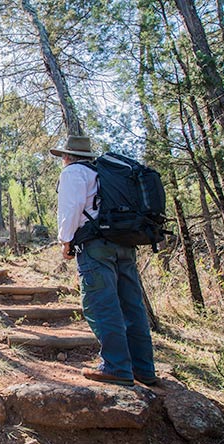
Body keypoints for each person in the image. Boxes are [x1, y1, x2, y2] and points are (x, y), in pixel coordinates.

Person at [52, 135, 158, 387]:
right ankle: (143, 368)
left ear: (67, 156)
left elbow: (71, 209)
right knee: (132, 306)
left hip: (95, 246)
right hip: (124, 243)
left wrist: (66, 242)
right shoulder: (103, 172)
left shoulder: (73, 172)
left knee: (101, 305)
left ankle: (116, 367)